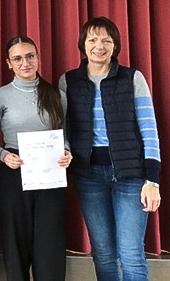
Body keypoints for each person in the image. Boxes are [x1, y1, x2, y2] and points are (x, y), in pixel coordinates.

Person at [60, 16, 161, 281]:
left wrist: (153, 180)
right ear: (83, 44)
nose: (99, 46)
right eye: (93, 39)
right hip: (89, 176)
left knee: (130, 253)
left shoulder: (132, 78)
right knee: (103, 253)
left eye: (106, 40)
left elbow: (149, 130)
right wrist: (66, 148)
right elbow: (63, 129)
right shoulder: (68, 81)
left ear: (115, 45)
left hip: (131, 176)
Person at [0, 36, 72, 281]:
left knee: (50, 247)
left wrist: (66, 151)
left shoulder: (56, 95)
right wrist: (3, 156)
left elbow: (64, 134)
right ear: (8, 63)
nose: (25, 62)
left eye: (30, 56)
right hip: (14, 172)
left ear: (38, 58)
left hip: (50, 176)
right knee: (15, 246)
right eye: (18, 58)